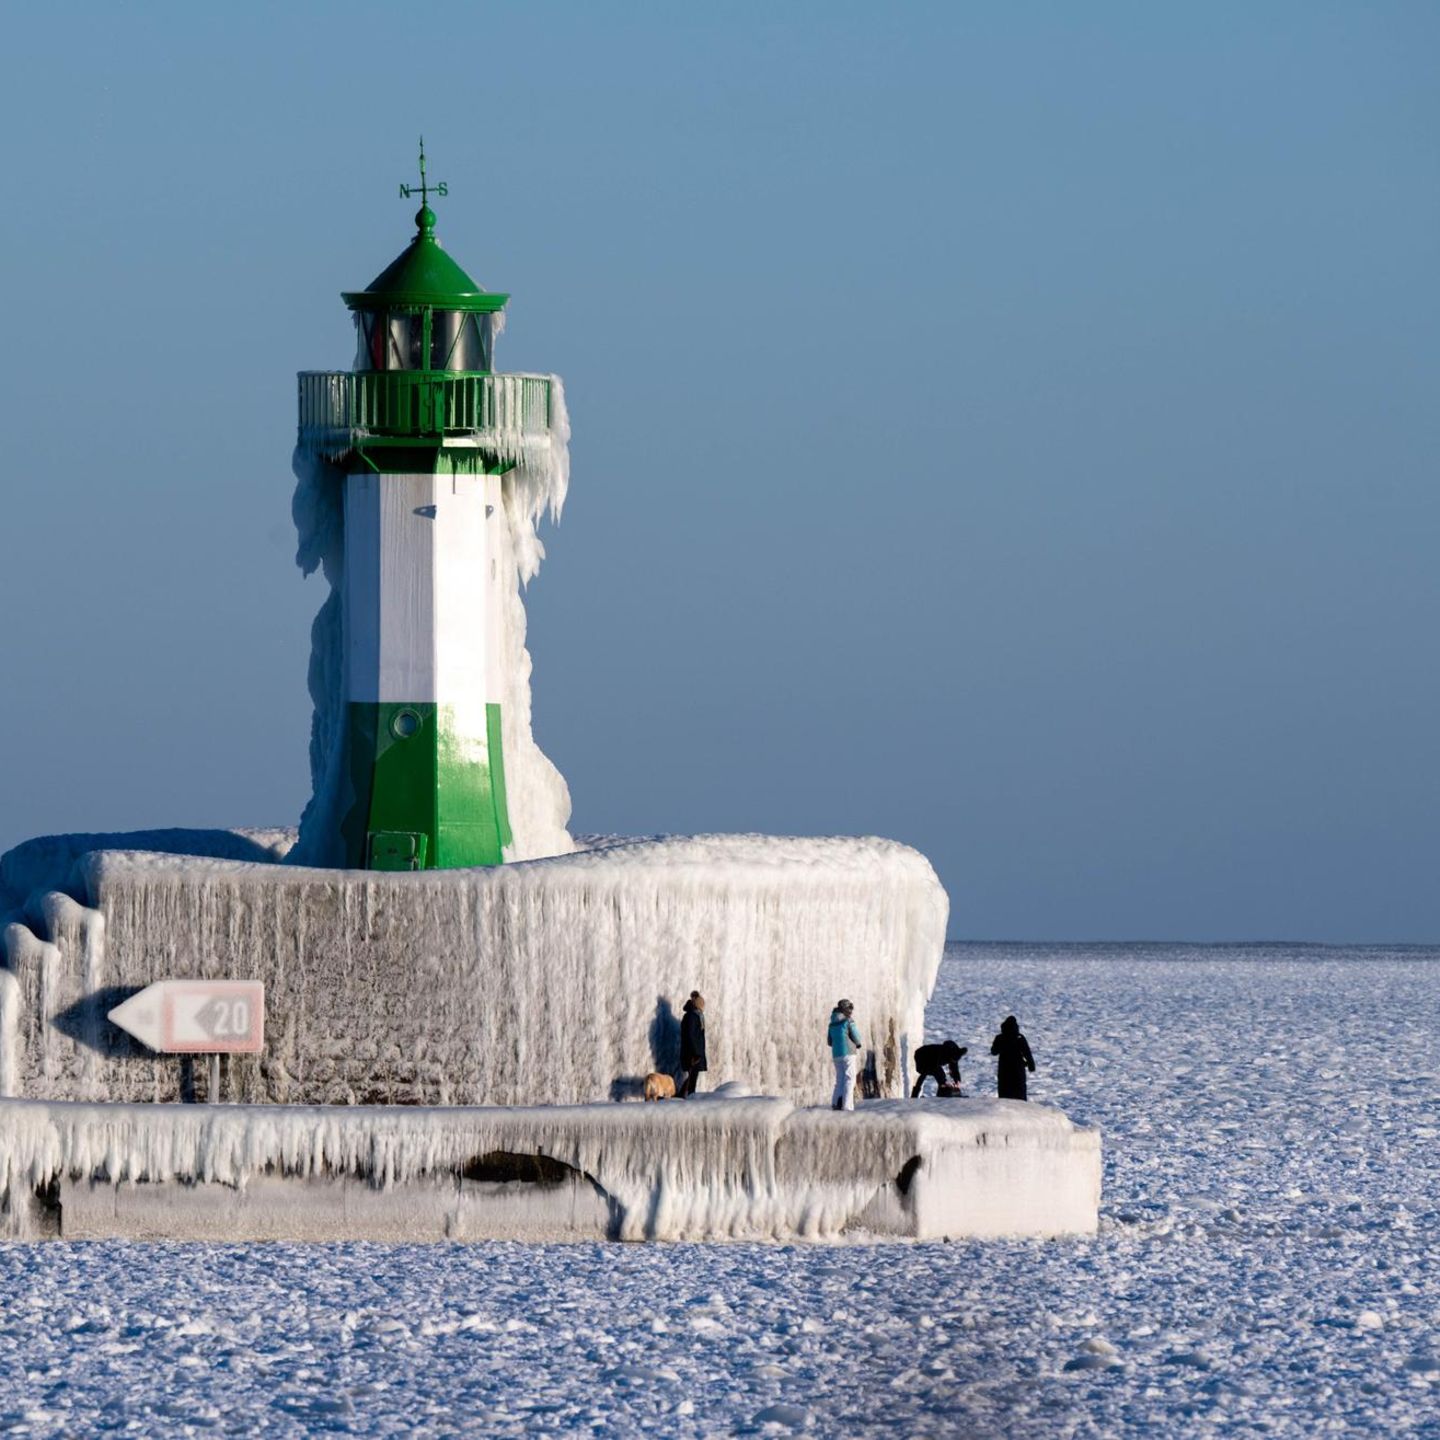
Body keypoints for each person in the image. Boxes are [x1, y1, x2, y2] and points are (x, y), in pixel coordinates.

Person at [827, 999, 863, 1111]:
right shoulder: (848, 1021)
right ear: (846, 1009)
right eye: (850, 1008)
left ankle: (835, 1103)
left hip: (836, 1054)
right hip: (848, 1053)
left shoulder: (832, 1024)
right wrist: (858, 1043)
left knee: (840, 1080)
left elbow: (829, 1041)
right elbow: (856, 1036)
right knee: (850, 1078)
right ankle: (847, 1107)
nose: (851, 1011)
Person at [990, 1015, 1035, 1100]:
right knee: (1019, 1089)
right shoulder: (1019, 1037)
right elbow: (1027, 1052)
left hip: (1004, 1067)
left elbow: (994, 1051)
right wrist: (1031, 1065)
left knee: (1004, 1088)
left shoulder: (1000, 1037)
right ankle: (1021, 1108)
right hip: (1018, 1067)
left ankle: (1005, 1107)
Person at [679, 991, 707, 1097]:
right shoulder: (692, 1016)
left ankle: (685, 1096)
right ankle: (686, 1097)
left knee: (692, 1077)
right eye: (702, 1005)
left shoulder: (696, 1016)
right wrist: (695, 1054)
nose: (703, 1008)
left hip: (694, 1053)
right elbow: (690, 1036)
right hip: (692, 1054)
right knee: (692, 1077)